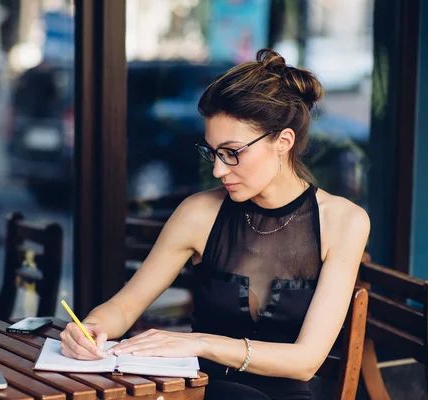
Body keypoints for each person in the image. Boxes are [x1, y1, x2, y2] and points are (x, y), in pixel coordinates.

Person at [59, 49, 370, 400]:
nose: (219, 169)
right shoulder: (198, 213)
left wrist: (200, 343)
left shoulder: (343, 221)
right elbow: (125, 306)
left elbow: (305, 361)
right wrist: (90, 330)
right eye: (212, 152)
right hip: (198, 391)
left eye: (232, 152)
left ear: (283, 142)